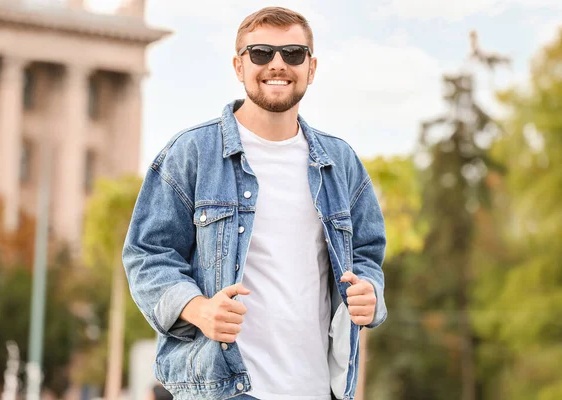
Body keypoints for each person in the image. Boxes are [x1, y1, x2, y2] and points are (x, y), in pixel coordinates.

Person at [122, 6, 388, 400]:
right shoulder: (191, 152)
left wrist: (370, 293)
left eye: (293, 54)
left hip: (318, 389)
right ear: (238, 65)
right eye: (261, 53)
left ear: (311, 68)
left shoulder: (340, 162)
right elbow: (147, 256)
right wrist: (198, 309)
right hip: (223, 389)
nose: (277, 64)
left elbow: (366, 253)